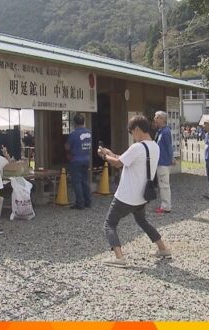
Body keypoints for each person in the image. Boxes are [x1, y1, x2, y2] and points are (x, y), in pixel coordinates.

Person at [97, 115, 172, 268]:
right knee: (142, 221)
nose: (132, 136)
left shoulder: (137, 147)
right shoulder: (154, 146)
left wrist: (105, 156)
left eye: (132, 132)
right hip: (142, 195)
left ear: (137, 129)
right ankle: (162, 248)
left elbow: (118, 164)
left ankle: (119, 258)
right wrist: (111, 153)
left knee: (109, 224)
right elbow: (125, 159)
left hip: (126, 195)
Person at [65, 113, 92, 210]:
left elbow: (67, 146)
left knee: (77, 182)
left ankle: (80, 203)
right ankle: (88, 201)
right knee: (85, 181)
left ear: (75, 123)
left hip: (76, 160)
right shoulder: (89, 133)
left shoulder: (74, 133)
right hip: (86, 159)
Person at [154, 111, 175, 214]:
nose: (155, 119)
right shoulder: (160, 131)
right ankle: (165, 205)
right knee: (162, 184)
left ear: (163, 119)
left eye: (157, 117)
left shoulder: (166, 131)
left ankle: (166, 206)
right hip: (160, 161)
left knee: (164, 185)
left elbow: (169, 146)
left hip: (164, 162)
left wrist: (172, 158)